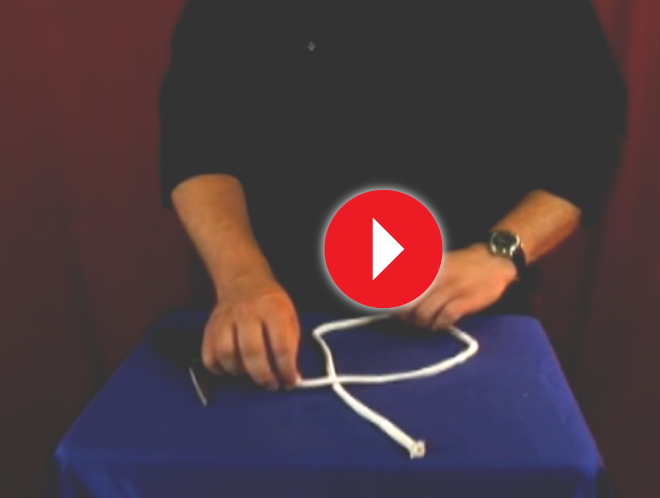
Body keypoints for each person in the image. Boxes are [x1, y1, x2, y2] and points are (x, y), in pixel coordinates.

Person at [159, 1, 626, 391]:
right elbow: (196, 138)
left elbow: (585, 140)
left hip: (467, 315)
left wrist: (500, 253)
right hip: (279, 321)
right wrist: (243, 281)